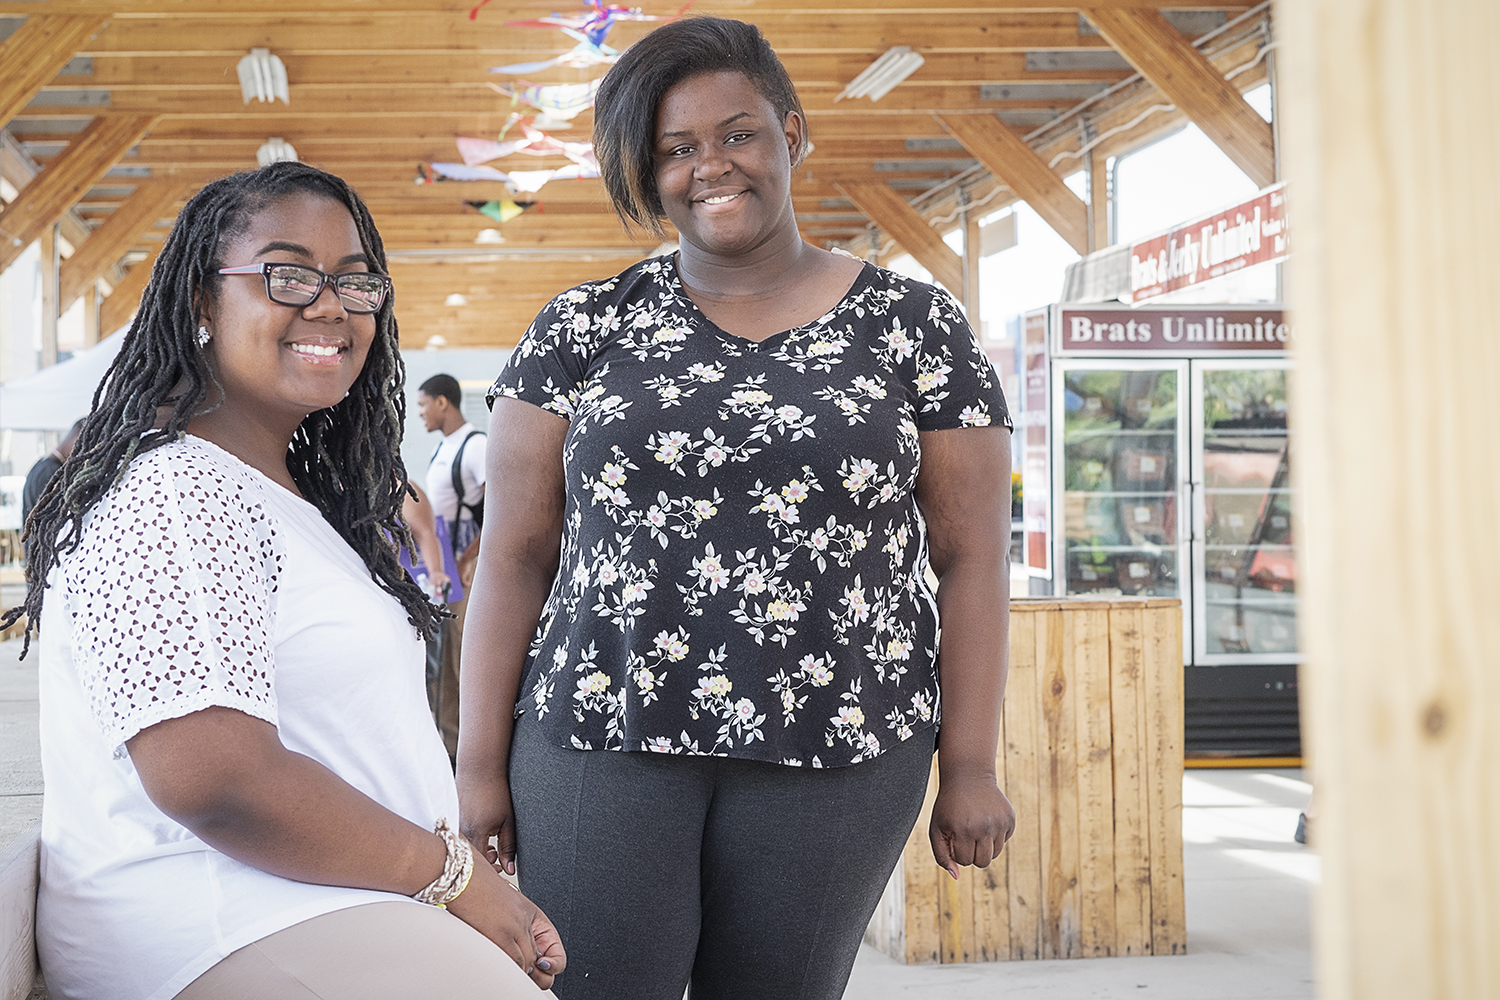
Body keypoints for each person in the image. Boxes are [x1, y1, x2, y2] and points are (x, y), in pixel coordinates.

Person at [458, 17, 1013, 1000]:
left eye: (736, 133)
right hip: (599, 736)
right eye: (676, 148)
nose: (710, 165)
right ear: (647, 170)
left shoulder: (918, 329)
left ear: (791, 134)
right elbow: (512, 556)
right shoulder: (580, 328)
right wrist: (476, 768)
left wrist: (969, 761)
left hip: (841, 744)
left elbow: (970, 557)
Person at [1, 161, 563, 1000]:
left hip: (317, 905)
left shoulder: (276, 493)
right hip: (217, 920)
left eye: (354, 281)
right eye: (288, 274)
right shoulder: (173, 492)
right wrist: (455, 880)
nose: (330, 305)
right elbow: (213, 778)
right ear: (200, 301)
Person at [418, 372, 486, 758]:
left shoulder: (475, 447)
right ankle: (448, 747)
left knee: (462, 662)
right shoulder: (441, 449)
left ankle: (467, 755)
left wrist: (467, 556)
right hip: (445, 574)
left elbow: (499, 510)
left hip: (466, 571)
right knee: (443, 661)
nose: (421, 413)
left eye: (424, 404)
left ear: (443, 402)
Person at [19, 418, 84, 565]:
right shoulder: (51, 473)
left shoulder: (41, 465)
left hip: (36, 560)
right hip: (44, 564)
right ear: (77, 440)